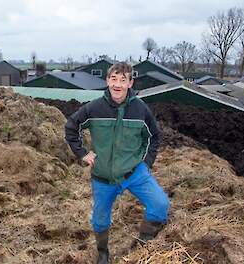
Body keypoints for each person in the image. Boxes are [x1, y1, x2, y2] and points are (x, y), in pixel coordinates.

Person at [65, 62, 170, 264]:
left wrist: (146, 163)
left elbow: (153, 137)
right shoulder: (94, 107)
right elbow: (71, 126)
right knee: (99, 220)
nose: (118, 84)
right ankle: (103, 253)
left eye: (123, 80)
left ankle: (144, 243)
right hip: (103, 176)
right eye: (114, 79)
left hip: (134, 172)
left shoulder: (140, 109)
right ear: (107, 81)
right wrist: (82, 153)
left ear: (131, 83)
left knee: (160, 204)